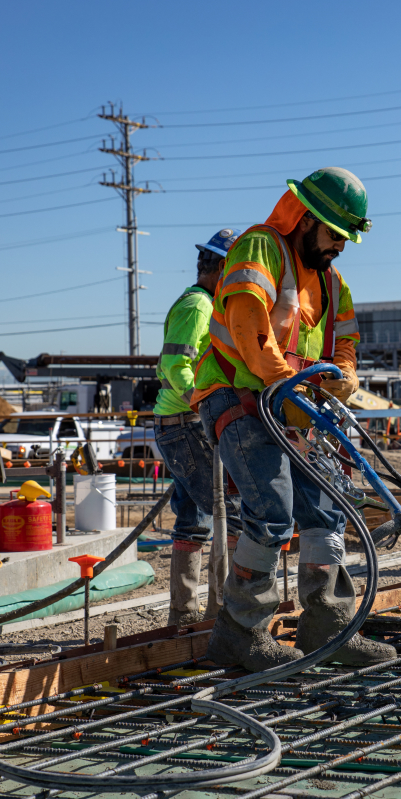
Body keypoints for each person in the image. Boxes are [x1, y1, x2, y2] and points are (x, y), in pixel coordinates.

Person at [191, 167, 396, 671]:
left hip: (291, 404)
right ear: (305, 219)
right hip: (240, 396)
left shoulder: (330, 279)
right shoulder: (261, 248)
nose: (340, 247)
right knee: (272, 513)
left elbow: (344, 338)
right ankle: (239, 633)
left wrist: (342, 375)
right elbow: (248, 326)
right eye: (334, 235)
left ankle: (328, 624)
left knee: (326, 510)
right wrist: (283, 383)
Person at [153, 230, 242, 626]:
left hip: (181, 424)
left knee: (193, 519)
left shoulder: (204, 304)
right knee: (235, 513)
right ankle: (227, 615)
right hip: (185, 424)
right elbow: (176, 366)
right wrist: (206, 405)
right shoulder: (199, 306)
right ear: (222, 267)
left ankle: (185, 617)